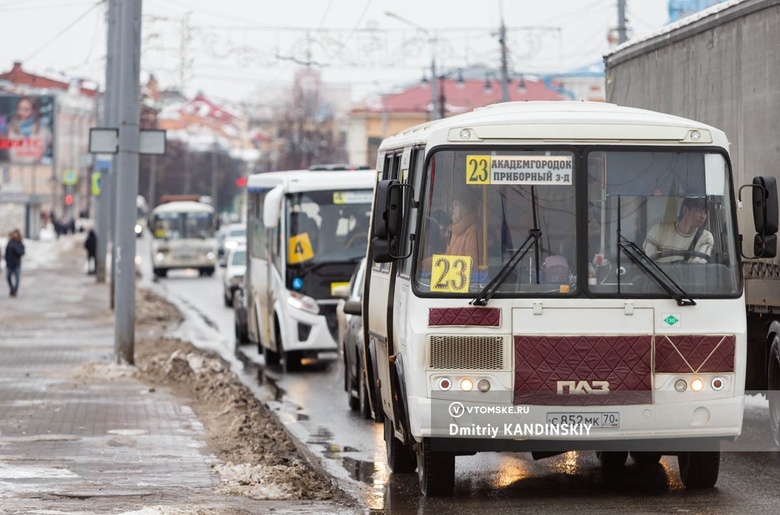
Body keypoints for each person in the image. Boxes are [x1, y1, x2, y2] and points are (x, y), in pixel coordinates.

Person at [643, 197, 714, 263]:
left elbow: (698, 267)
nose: (703, 216)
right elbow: (645, 263)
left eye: (705, 212)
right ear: (686, 211)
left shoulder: (705, 237)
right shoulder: (657, 232)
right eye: (698, 211)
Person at [4, 96, 52, 164]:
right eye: (19, 109)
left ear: (34, 111)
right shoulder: (8, 130)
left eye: (26, 109)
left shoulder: (44, 131)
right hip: (14, 171)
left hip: (37, 172)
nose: (21, 113)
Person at [5, 229, 26, 297]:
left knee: (17, 279)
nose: (14, 235)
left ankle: (15, 291)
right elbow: (6, 252)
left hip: (17, 263)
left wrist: (16, 249)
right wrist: (6, 260)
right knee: (8, 277)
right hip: (10, 264)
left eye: (16, 234)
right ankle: (12, 288)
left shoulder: (20, 243)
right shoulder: (10, 242)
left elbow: (22, 252)